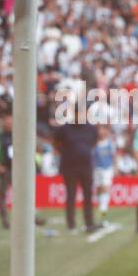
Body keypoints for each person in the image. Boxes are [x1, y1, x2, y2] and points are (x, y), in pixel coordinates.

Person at [52, 95, 100, 233]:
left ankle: (89, 222)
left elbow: (94, 142)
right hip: (69, 166)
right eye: (78, 113)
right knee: (71, 195)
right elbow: (55, 143)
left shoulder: (91, 128)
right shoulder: (65, 129)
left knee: (88, 196)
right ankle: (71, 224)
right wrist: (65, 153)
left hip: (86, 166)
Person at [93, 124, 116, 225]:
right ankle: (101, 209)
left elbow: (114, 156)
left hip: (107, 168)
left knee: (105, 188)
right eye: (99, 130)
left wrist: (116, 167)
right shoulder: (94, 144)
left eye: (103, 130)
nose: (101, 132)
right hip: (96, 169)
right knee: (99, 189)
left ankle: (103, 211)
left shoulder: (109, 143)